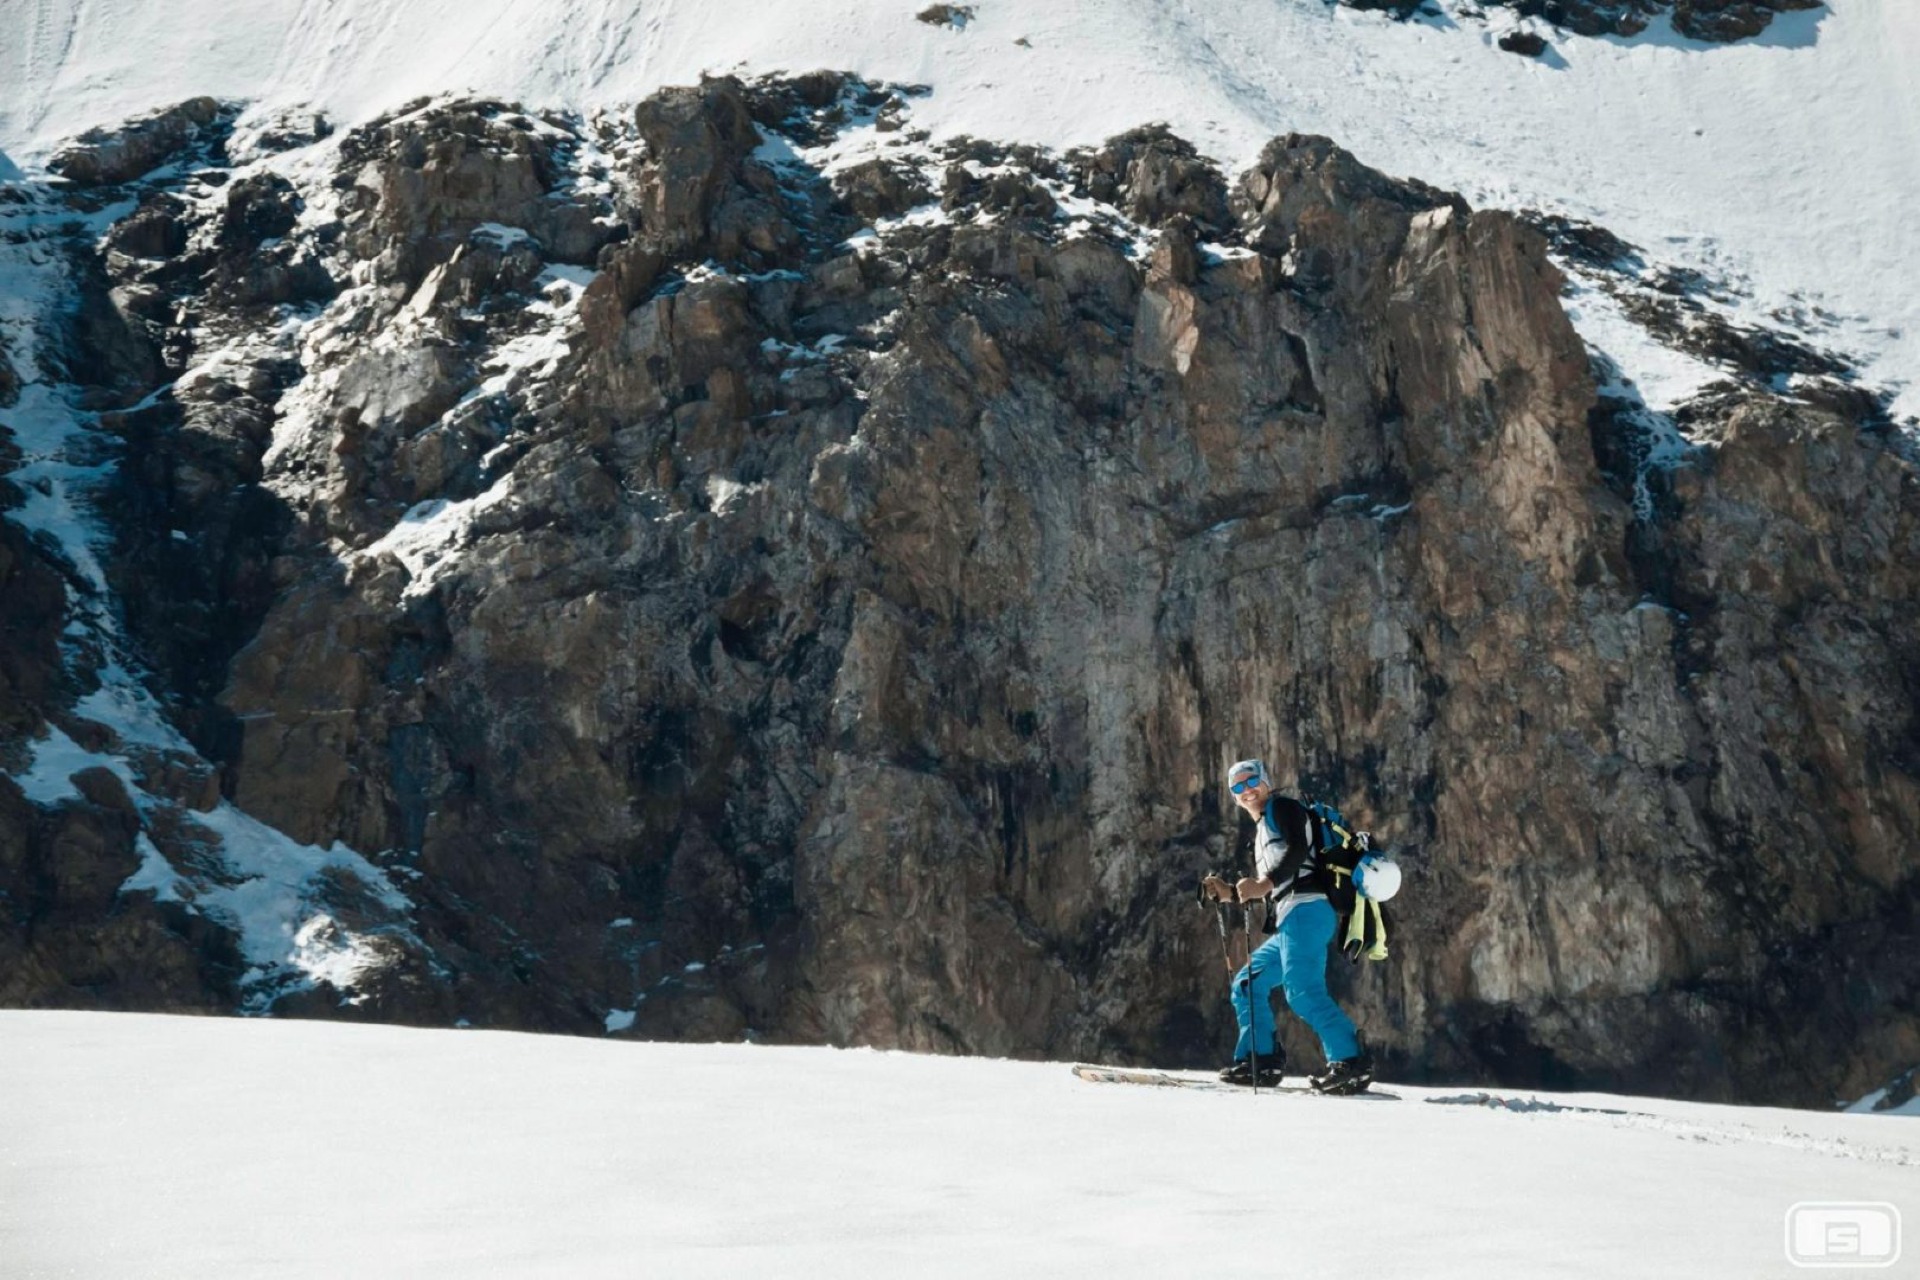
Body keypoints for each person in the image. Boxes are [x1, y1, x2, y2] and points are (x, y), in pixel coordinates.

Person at [1201, 757, 1375, 1094]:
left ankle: (1351, 1060)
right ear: (1233, 796)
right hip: (1291, 916)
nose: (1247, 791)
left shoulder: (1283, 807)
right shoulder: (1264, 827)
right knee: (1248, 985)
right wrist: (1229, 894)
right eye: (1238, 787)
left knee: (1303, 991)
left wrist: (1262, 884)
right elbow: (1278, 882)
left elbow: (1297, 852)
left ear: (1266, 781)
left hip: (1308, 912)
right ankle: (1260, 1060)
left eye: (1252, 781)